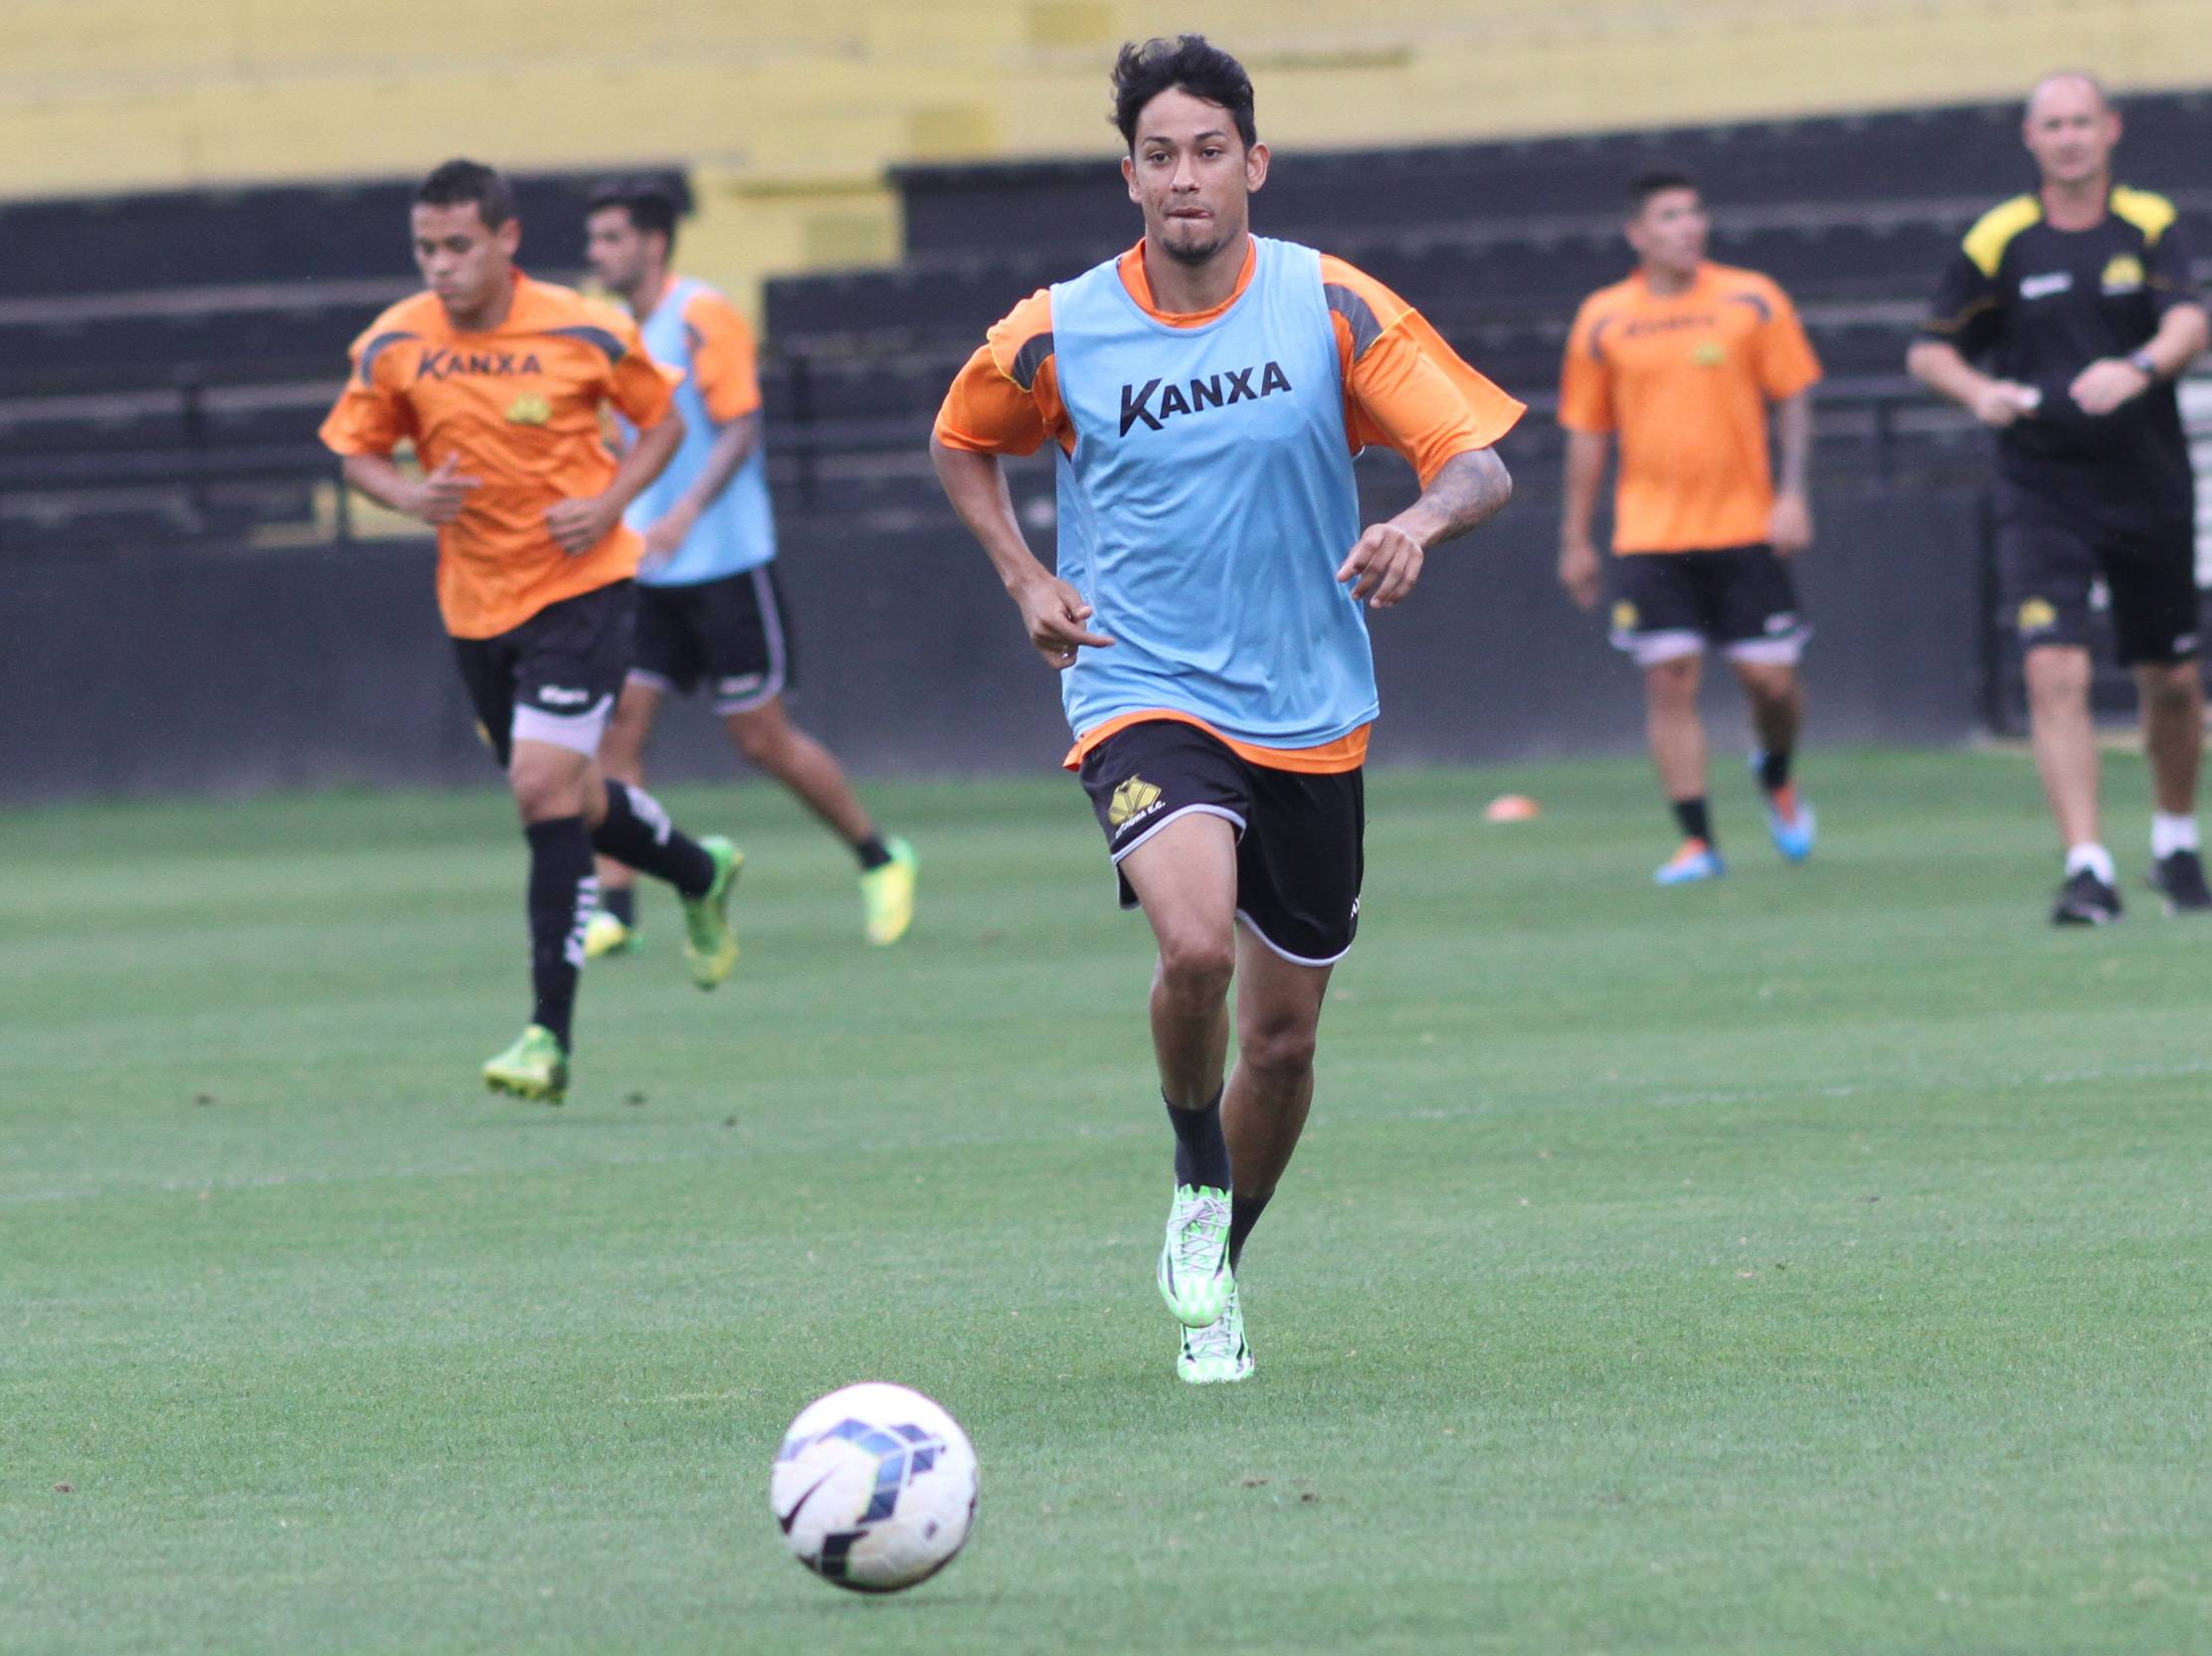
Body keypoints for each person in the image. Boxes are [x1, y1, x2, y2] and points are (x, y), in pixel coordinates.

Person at [928, 36, 1520, 1383]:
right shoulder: (1058, 328)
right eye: (1159, 156)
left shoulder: (1328, 304)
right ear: (1129, 178)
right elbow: (962, 441)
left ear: (1254, 164)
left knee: (1284, 1040)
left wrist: (1417, 522)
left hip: (1309, 704)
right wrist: (1025, 575)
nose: (1183, 177)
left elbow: (1477, 465)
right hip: (1140, 685)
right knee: (1194, 946)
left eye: (1207, 152)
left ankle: (1217, 1270)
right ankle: (1196, 1175)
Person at [321, 159, 745, 1105]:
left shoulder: (583, 327)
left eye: (458, 245)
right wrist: (408, 496)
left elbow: (663, 425)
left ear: (506, 239)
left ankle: (546, 1038)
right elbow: (356, 453)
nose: (441, 265)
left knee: (539, 786)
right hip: (476, 606)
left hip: (581, 587)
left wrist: (609, 504)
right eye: (426, 248)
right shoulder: (395, 341)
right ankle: (699, 869)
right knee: (572, 793)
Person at [1908, 72, 2212, 925]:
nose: (2070, 138)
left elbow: (2190, 323)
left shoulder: (2148, 223)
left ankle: (2177, 843)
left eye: (2083, 121)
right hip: (2042, 484)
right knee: (2054, 668)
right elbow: (1929, 351)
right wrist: (1978, 391)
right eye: (2054, 125)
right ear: (2031, 138)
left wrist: (2138, 367)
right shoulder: (1999, 238)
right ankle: (2088, 868)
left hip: (2148, 482)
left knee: (2173, 679)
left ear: (2110, 129)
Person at [578, 182, 918, 957]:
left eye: (612, 238)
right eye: (595, 239)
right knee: (617, 729)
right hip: (646, 568)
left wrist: (685, 511)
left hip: (724, 563)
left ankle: (879, 856)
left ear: (653, 243)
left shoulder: (702, 315)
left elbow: (740, 429)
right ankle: (617, 910)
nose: (598, 254)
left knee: (760, 740)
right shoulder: (612, 331)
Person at [1557, 169, 1824, 886]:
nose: (1688, 227)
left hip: (1746, 527)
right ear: (1637, 234)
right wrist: (1575, 538)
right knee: (1671, 681)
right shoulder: (1603, 317)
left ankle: (1776, 771)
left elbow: (1794, 396)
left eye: (1695, 213)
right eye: (1670, 216)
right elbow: (1588, 431)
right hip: (1651, 534)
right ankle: (1699, 842)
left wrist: (1793, 494)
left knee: (1771, 683)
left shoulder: (1752, 298)